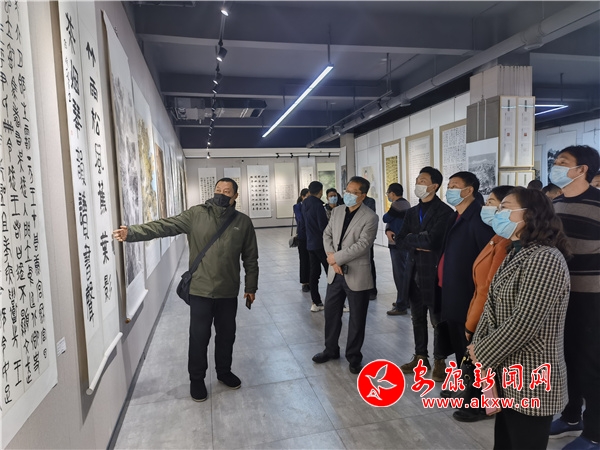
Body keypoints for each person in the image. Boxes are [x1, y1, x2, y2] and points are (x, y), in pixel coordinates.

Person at [112, 178, 258, 402]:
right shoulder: (196, 214)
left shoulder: (243, 222)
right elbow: (165, 226)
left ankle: (224, 371)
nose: (221, 194)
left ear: (235, 196)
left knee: (227, 335)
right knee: (199, 337)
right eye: (218, 190)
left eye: (227, 191)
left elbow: (250, 257)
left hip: (228, 291)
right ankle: (197, 380)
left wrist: (250, 286)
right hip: (200, 290)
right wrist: (132, 233)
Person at [469, 187, 571, 450]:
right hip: (508, 370)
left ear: (530, 214)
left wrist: (481, 351)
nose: (497, 213)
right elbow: (493, 306)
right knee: (505, 442)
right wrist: (476, 345)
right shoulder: (518, 251)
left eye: (504, 208)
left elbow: (524, 323)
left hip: (531, 374)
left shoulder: (545, 258)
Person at [548, 145, 600, 450]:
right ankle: (570, 416)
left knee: (590, 363)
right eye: (556, 161)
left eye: (562, 162)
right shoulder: (555, 205)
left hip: (591, 297)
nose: (556, 166)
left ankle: (594, 433)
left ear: (582, 169)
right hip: (559, 295)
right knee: (565, 357)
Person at [312, 176, 379, 374]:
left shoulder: (370, 217)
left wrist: (336, 259)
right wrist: (332, 259)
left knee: (357, 318)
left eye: (353, 192)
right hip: (335, 273)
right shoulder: (337, 211)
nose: (348, 195)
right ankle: (330, 350)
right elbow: (327, 234)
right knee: (332, 313)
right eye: (347, 191)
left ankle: (354, 356)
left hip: (357, 274)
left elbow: (363, 245)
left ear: (363, 195)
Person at [395, 167, 453, 382]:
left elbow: (433, 241)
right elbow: (400, 240)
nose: (418, 183)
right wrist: (417, 240)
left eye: (423, 180)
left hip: (433, 272)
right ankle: (421, 357)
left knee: (437, 319)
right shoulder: (412, 212)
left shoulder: (444, 212)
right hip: (413, 272)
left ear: (434, 186)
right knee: (417, 317)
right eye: (417, 179)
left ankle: (440, 360)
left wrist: (414, 239)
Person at [383, 183, 411, 316]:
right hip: (401, 242)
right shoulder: (406, 203)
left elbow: (385, 218)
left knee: (400, 274)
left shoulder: (397, 205)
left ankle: (401, 304)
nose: (388, 195)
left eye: (388, 193)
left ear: (392, 193)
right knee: (403, 273)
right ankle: (405, 300)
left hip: (398, 243)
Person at [302, 180, 329, 312]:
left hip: (310, 243)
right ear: (320, 191)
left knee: (314, 273)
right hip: (321, 243)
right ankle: (337, 302)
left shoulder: (305, 203)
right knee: (331, 272)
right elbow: (323, 226)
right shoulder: (318, 205)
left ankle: (316, 302)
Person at [293, 188, 310, 292]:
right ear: (302, 196)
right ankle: (305, 282)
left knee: (312, 260)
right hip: (302, 236)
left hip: (312, 236)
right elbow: (300, 218)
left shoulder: (312, 205)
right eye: (307, 196)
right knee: (304, 260)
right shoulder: (297, 206)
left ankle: (311, 281)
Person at [363, 195, 378, 300]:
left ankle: (372, 290)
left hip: (366, 238)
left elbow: (368, 218)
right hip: (353, 239)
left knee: (368, 262)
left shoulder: (370, 201)